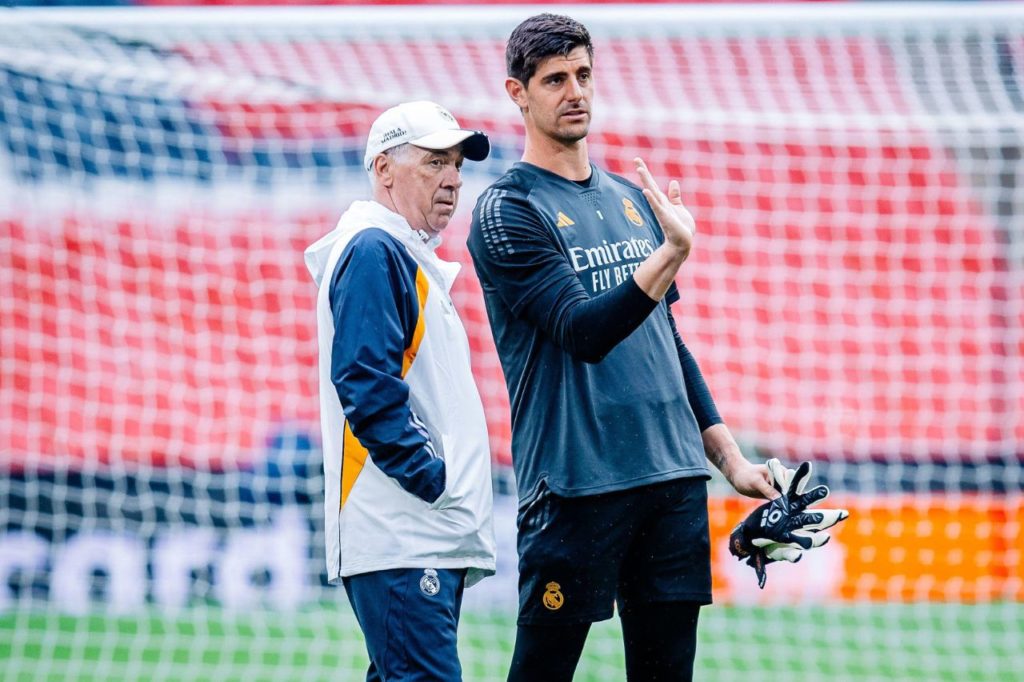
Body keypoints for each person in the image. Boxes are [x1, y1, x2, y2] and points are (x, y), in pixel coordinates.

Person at [468, 14, 842, 681]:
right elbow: (583, 331)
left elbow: (667, 341)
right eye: (554, 79)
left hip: (672, 480)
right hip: (577, 483)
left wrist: (731, 458)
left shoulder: (628, 199)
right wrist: (671, 253)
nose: (574, 90)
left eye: (583, 74)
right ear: (517, 93)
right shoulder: (507, 209)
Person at [305, 100, 496, 682]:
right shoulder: (373, 249)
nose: (453, 178)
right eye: (435, 161)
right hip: (406, 533)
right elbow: (366, 384)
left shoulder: (398, 253)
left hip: (418, 533)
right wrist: (434, 482)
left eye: (458, 165)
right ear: (383, 169)